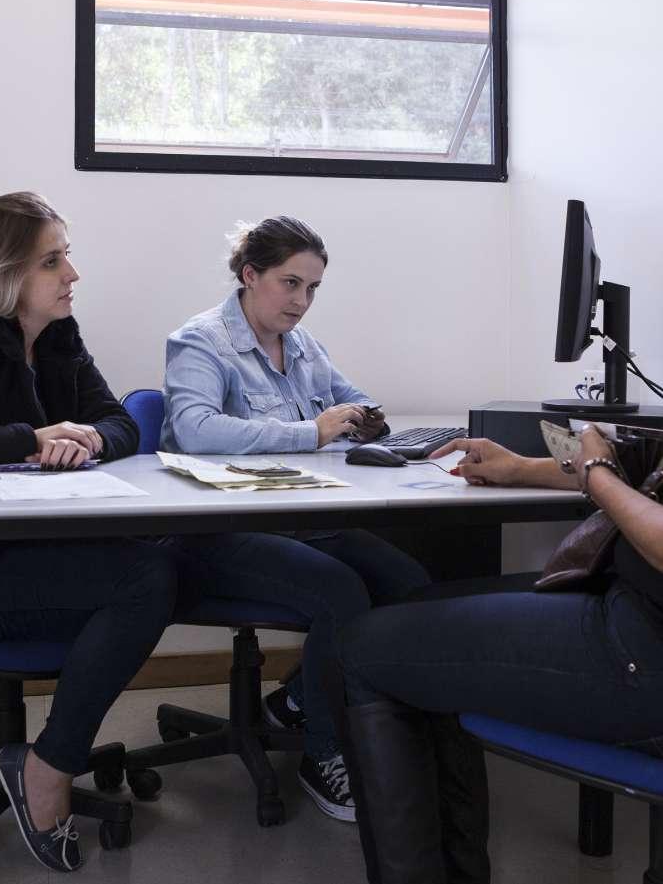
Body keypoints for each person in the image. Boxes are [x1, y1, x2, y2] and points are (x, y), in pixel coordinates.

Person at [160, 216, 431, 822]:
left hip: (305, 520)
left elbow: (350, 400)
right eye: (290, 284)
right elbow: (196, 431)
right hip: (220, 534)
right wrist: (311, 430)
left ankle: (302, 703)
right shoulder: (200, 342)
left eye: (312, 289)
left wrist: (367, 417)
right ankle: (325, 751)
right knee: (341, 592)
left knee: (410, 583)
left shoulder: (305, 346)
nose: (302, 302)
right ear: (249, 275)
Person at [337, 428, 663, 884]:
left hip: (643, 654)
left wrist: (596, 472)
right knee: (413, 610)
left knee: (363, 650)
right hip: (631, 613)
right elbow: (648, 473)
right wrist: (522, 469)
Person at [0, 192, 178, 873]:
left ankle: (45, 757)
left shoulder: (62, 339)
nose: (72, 273)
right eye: (52, 259)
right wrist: (30, 438)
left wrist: (91, 437)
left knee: (156, 557)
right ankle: (48, 768)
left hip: (36, 550)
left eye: (67, 254)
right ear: (4, 273)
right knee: (143, 575)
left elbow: (123, 420)